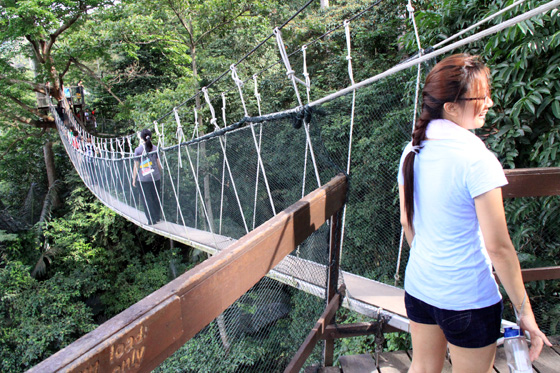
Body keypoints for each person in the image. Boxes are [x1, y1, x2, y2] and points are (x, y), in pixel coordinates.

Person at [397, 54, 551, 373]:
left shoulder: (412, 151)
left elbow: (406, 223)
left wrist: (435, 269)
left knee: (423, 368)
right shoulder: (476, 160)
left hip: (420, 287)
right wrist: (526, 314)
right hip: (468, 298)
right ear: (451, 107)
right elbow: (499, 248)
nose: (490, 102)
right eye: (481, 97)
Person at [132, 129, 163, 225]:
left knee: (147, 199)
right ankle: (157, 217)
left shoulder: (138, 150)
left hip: (143, 179)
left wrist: (134, 179)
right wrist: (160, 174)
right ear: (150, 137)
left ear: (141, 138)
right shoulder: (155, 148)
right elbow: (158, 163)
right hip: (155, 177)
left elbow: (136, 166)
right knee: (155, 197)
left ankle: (151, 219)